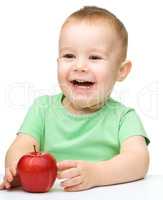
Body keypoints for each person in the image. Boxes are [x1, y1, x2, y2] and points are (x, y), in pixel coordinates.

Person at [0, 6, 150, 192]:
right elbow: (20, 146)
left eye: (94, 57)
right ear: (58, 62)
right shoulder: (42, 109)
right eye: (69, 55)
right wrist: (17, 170)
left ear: (121, 71)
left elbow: (138, 160)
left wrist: (98, 174)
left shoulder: (124, 117)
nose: (79, 66)